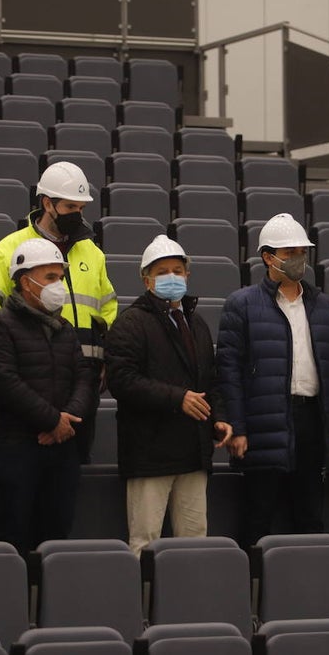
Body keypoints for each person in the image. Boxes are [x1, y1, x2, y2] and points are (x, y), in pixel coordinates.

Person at [217, 213, 329, 547]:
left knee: (310, 516)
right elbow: (229, 371)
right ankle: (253, 590)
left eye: (301, 252)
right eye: (289, 252)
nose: (298, 260)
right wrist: (239, 426)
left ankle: (308, 591)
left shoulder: (323, 306)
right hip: (265, 421)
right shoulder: (242, 304)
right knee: (258, 516)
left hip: (311, 420)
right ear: (268, 257)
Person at [0, 161, 115, 460]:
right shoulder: (7, 250)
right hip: (28, 389)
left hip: (81, 390)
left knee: (68, 484)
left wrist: (104, 359)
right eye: (70, 206)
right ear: (48, 203)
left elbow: (108, 309)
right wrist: (12, 372)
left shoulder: (93, 253)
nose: (78, 215)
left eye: (81, 208)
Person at [105, 235, 233, 556]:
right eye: (162, 271)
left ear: (188, 275)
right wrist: (178, 398)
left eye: (177, 270)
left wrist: (220, 418)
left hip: (193, 451)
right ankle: (142, 605)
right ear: (146, 279)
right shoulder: (130, 323)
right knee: (144, 543)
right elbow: (122, 381)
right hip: (150, 453)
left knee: (194, 542)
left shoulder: (197, 323)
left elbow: (210, 379)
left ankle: (187, 604)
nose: (171, 277)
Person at [0, 238, 98, 553]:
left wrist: (66, 422)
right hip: (16, 450)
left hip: (62, 450)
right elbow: (4, 381)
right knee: (12, 539)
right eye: (49, 278)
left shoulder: (65, 327)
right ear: (24, 281)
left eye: (60, 278)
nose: (57, 285)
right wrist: (51, 420)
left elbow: (84, 377)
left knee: (55, 539)